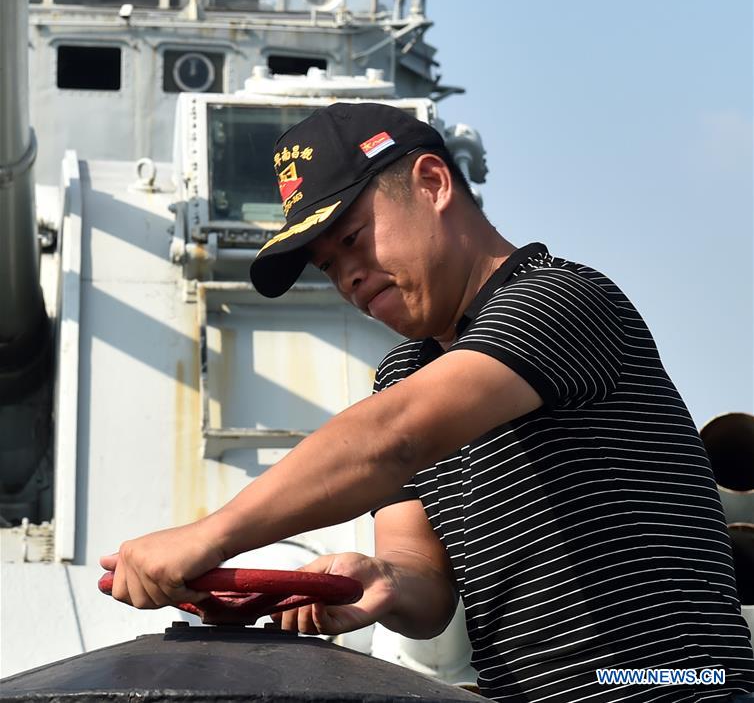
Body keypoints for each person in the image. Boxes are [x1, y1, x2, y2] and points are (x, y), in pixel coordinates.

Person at [102, 102, 754, 702]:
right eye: (328, 267)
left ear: (434, 183)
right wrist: (381, 579)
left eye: (352, 239)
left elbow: (392, 439)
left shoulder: (560, 301)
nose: (348, 277)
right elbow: (427, 585)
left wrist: (206, 537)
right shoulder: (403, 374)